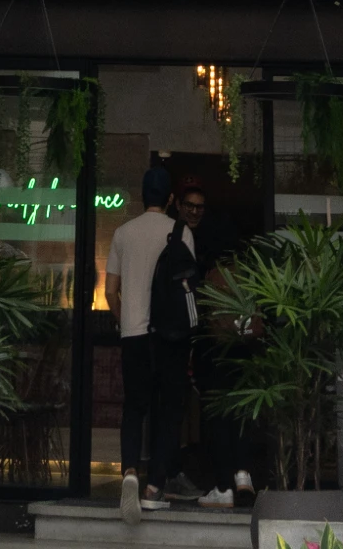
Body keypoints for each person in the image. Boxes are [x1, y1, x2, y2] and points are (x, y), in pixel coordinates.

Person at [105, 165, 197, 523]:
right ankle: (155, 487)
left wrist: (125, 319)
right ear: (171, 198)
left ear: (142, 197)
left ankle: (130, 470)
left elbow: (110, 291)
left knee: (134, 407)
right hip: (170, 337)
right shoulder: (181, 232)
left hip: (134, 336)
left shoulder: (123, 233)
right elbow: (188, 288)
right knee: (169, 411)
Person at [178, 185, 256, 509]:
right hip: (244, 352)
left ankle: (223, 487)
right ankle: (243, 474)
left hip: (215, 354)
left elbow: (197, 317)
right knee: (241, 413)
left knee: (218, 419)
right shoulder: (247, 274)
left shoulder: (209, 276)